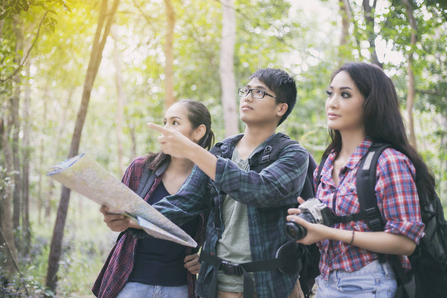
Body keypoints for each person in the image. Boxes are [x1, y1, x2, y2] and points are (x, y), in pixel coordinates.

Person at [147, 68, 311, 298]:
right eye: (246, 90)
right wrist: (133, 215)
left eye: (260, 92)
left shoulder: (293, 154)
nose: (248, 96)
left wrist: (193, 151)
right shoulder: (221, 152)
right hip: (218, 284)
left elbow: (260, 190)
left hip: (271, 285)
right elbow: (183, 203)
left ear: (281, 108)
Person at [287, 62, 434, 297]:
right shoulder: (326, 163)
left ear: (371, 104)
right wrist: (310, 222)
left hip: (371, 284)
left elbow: (406, 242)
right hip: (325, 283)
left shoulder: (389, 161)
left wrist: (329, 232)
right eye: (330, 93)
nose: (332, 102)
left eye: (345, 94)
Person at [92, 100, 215, 298]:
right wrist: (114, 220)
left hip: (181, 287)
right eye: (165, 122)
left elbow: (218, 231)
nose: (165, 130)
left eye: (175, 123)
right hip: (130, 283)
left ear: (198, 131)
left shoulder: (211, 179)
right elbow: (121, 218)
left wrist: (206, 258)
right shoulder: (140, 168)